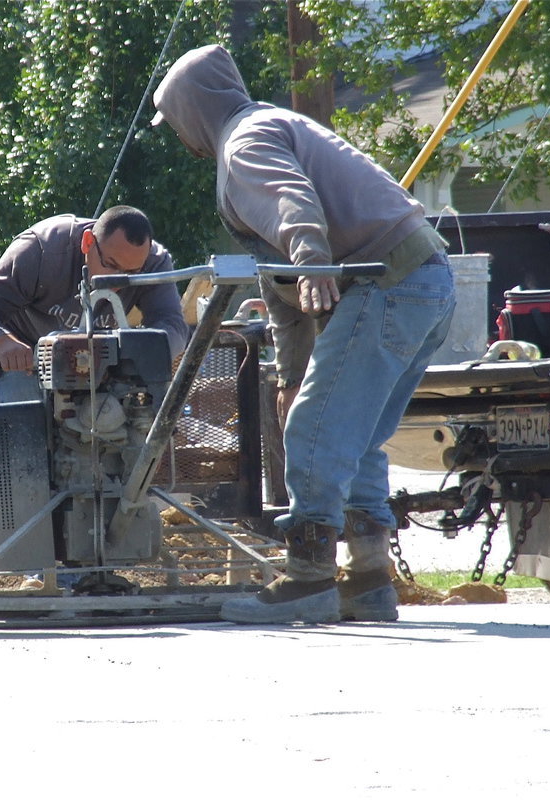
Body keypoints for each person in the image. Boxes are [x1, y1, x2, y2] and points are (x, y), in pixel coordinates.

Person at [152, 44, 455, 624]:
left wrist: (312, 257)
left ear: (193, 110)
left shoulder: (244, 143)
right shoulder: (270, 124)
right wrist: (291, 375)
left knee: (314, 428)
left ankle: (310, 577)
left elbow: (293, 201)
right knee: (356, 437)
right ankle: (368, 580)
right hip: (425, 280)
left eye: (177, 122)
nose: (181, 139)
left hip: (384, 281)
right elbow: (279, 285)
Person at [0, 205, 189, 403]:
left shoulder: (154, 262)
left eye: (131, 273)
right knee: (27, 432)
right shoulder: (41, 249)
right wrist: (2, 342)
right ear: (88, 242)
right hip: (28, 366)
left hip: (104, 369)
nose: (117, 282)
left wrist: (134, 353)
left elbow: (174, 326)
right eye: (110, 265)